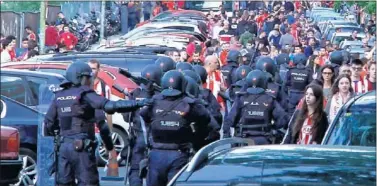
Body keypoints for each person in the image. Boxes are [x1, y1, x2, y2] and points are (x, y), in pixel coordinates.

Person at [43, 62, 151, 186]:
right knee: (89, 182)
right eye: (88, 78)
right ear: (81, 78)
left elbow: (48, 123)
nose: (90, 81)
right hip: (81, 148)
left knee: (63, 183)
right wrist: (138, 104)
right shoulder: (85, 94)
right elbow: (109, 108)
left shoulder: (59, 95)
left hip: (63, 148)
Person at [139, 70, 211, 186]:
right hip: (179, 154)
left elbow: (143, 116)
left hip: (156, 153)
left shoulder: (154, 101)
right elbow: (206, 119)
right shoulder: (189, 104)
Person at [223, 69, 289, 144]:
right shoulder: (269, 99)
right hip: (264, 139)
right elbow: (283, 119)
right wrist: (272, 127)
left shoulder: (240, 98)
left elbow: (230, 121)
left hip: (243, 139)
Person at [122, 64, 162, 186]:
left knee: (135, 170)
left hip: (139, 138)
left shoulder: (135, 94)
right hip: (156, 140)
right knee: (155, 172)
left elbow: (126, 117)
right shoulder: (160, 95)